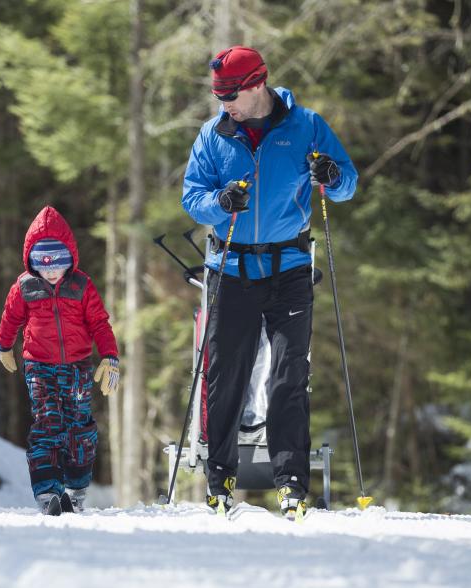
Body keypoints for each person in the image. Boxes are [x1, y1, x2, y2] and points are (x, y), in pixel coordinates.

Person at [181, 45, 357, 518]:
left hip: (289, 268)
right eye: (219, 96)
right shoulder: (213, 134)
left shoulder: (306, 126)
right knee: (225, 376)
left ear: (257, 84)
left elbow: (347, 185)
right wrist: (220, 202)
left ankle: (291, 483)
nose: (225, 105)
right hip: (231, 269)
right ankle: (220, 479)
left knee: (288, 376)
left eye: (231, 94)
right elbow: (192, 198)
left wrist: (332, 175)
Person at [0, 206, 120, 515]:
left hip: (77, 367)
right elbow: (10, 318)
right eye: (44, 264)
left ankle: (75, 487)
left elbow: (100, 324)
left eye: (58, 263)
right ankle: (47, 489)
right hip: (38, 366)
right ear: (32, 261)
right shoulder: (25, 287)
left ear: (70, 259)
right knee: (48, 422)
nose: (51, 271)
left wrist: (110, 356)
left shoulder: (81, 286)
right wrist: (3, 346)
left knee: (77, 424)